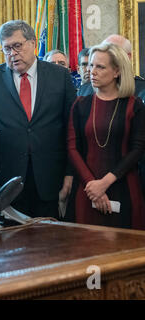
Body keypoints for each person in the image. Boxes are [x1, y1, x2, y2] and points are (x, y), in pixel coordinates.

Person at [0, 20, 77, 219]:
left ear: (33, 43)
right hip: (5, 179)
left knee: (48, 241)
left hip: (49, 177)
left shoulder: (60, 76)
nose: (12, 53)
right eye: (7, 49)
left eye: (17, 46)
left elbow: (72, 129)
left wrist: (70, 173)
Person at [67, 43, 145, 229]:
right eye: (91, 65)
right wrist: (93, 185)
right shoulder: (81, 104)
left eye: (100, 67)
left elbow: (138, 148)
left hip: (124, 187)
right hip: (86, 190)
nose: (92, 71)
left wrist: (105, 182)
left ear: (117, 71)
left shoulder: (134, 106)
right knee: (85, 249)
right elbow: (72, 147)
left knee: (125, 251)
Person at [78, 35, 145, 97]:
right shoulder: (84, 90)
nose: (91, 71)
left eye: (112, 53)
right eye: (92, 65)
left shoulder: (141, 90)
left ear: (127, 57)